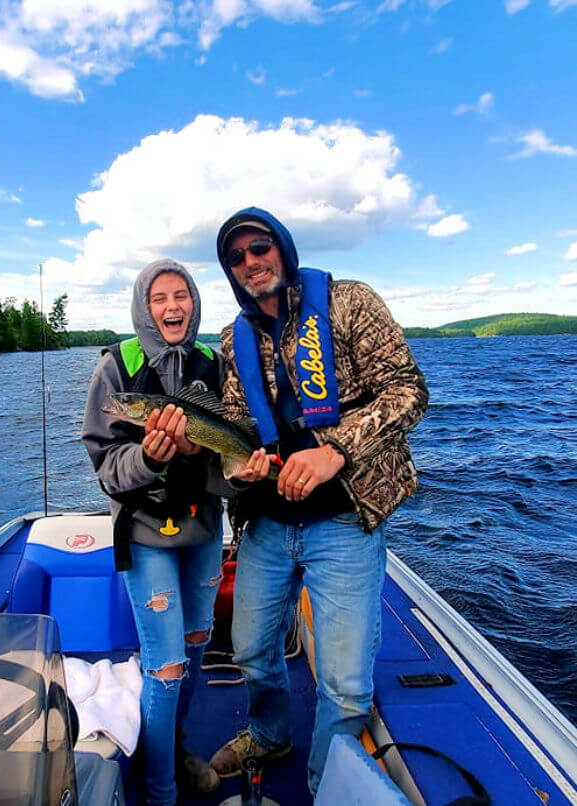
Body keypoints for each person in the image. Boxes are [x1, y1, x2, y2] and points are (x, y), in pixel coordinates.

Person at [208, 207, 429, 796]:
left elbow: (409, 390)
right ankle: (270, 730)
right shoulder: (234, 338)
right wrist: (240, 465)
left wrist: (334, 449)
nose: (251, 263)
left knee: (347, 685)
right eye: (237, 257)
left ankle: (326, 785)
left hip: (345, 519)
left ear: (282, 247)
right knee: (251, 651)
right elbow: (236, 421)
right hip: (268, 524)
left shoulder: (350, 303)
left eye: (260, 248)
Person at [82, 258, 242, 806]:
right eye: (160, 298)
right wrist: (148, 459)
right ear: (144, 308)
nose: (173, 307)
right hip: (146, 534)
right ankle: (160, 792)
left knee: (196, 647)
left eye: (182, 296)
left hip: (201, 531)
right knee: (166, 666)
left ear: (195, 303)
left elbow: (233, 473)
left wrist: (208, 456)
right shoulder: (117, 367)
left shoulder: (214, 365)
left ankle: (172, 748)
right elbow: (106, 465)